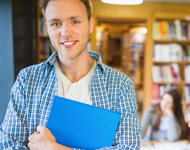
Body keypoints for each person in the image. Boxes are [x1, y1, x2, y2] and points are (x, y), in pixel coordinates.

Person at [0, 0, 141, 149]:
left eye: (74, 21)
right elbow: (8, 144)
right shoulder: (27, 80)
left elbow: (129, 147)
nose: (65, 32)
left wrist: (54, 148)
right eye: (56, 23)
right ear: (47, 28)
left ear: (90, 25)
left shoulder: (120, 85)